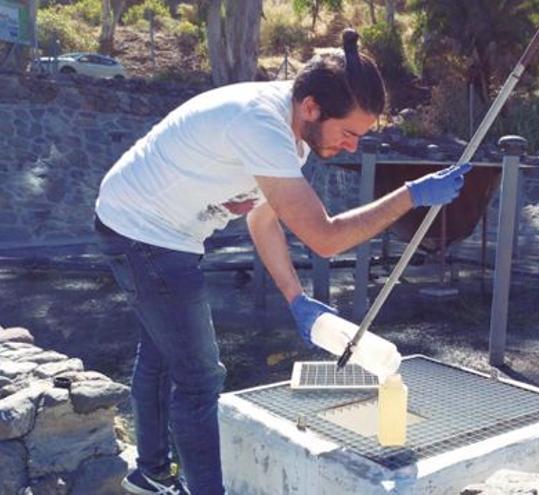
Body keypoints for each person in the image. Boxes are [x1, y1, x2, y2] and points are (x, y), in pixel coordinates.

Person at [93, 29, 469, 495]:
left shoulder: (295, 135)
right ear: (311, 107)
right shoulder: (261, 125)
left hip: (159, 228)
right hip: (142, 232)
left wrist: (297, 300)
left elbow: (262, 221)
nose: (354, 146)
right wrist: (410, 195)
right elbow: (325, 238)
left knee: (163, 349)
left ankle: (149, 472)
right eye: (349, 133)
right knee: (199, 374)